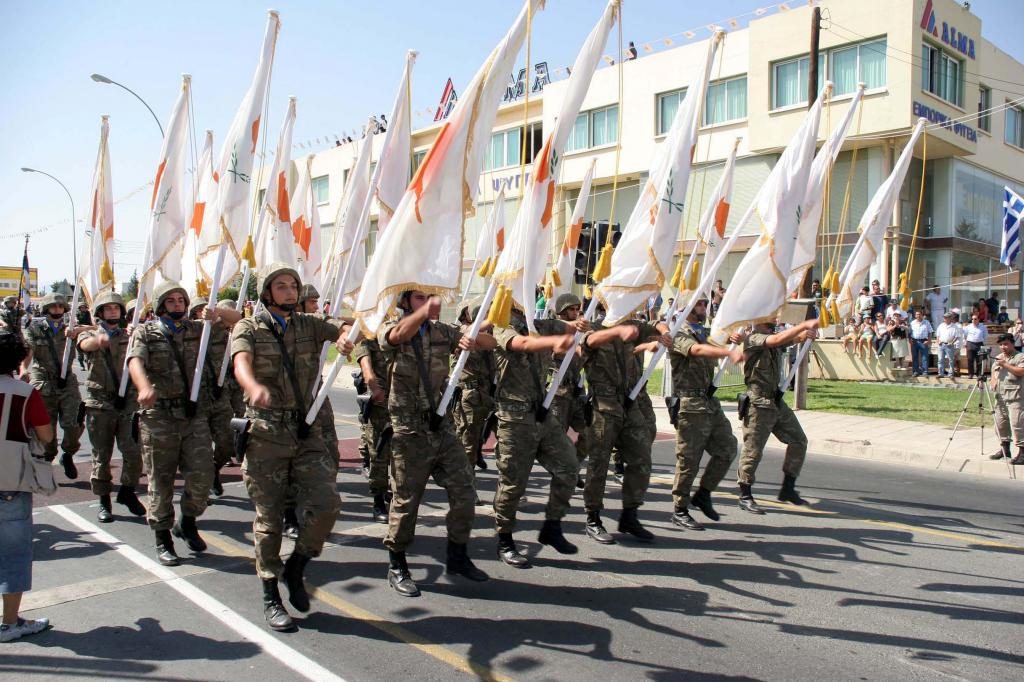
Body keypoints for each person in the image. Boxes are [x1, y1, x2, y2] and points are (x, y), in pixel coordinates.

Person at [231, 264, 353, 630]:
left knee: (327, 504)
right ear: (267, 292)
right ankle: (271, 594)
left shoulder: (308, 323)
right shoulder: (248, 326)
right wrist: (252, 387)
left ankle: (297, 565)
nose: (288, 291)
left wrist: (347, 337)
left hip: (306, 428)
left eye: (293, 286)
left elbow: (344, 327)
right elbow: (241, 363)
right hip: (266, 433)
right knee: (269, 519)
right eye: (280, 286)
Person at [378, 291, 493, 597]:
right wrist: (425, 311)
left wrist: (475, 338)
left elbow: (487, 342)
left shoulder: (442, 331)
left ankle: (457, 555)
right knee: (406, 501)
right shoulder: (391, 325)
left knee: (465, 491)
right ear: (405, 301)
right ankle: (398, 564)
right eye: (420, 297)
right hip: (408, 430)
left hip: (442, 426)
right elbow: (398, 334)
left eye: (432, 297)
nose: (431, 303)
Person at [127, 282, 217, 567]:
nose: (178, 304)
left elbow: (238, 322)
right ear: (160, 305)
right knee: (161, 480)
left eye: (182, 300)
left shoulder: (197, 330)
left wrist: (216, 316)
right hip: (159, 417)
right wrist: (143, 387)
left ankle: (187, 521)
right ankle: (162, 538)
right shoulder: (146, 332)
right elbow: (135, 362)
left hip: (193, 415)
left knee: (202, 476)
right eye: (172, 300)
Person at [490, 304, 579, 568]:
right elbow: (523, 344)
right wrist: (555, 341)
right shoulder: (500, 327)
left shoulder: (542, 325)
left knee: (569, 467)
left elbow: (571, 328)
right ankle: (505, 538)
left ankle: (552, 525)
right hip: (514, 417)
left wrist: (580, 326)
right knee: (513, 483)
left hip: (541, 412)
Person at [579, 306, 670, 543]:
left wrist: (664, 332)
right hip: (603, 405)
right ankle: (593, 518)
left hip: (629, 403)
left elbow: (655, 328)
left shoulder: (635, 325)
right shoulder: (594, 328)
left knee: (641, 459)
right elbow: (589, 342)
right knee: (599, 464)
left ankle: (630, 515)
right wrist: (618, 331)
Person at [667, 293, 743, 531]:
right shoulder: (678, 332)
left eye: (704, 303)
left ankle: (703, 493)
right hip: (689, 403)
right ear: (685, 308)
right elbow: (696, 351)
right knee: (689, 459)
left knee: (727, 448)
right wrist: (726, 353)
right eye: (698, 304)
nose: (703, 307)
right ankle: (680, 508)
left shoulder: (706, 331)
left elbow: (716, 341)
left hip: (709, 402)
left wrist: (734, 339)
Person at [1, 330, 54, 643]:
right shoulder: (23, 393)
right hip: (10, 479)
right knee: (14, 554)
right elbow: (46, 435)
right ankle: (9, 622)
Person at [734, 318, 819, 513]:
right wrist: (803, 326)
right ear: (758, 321)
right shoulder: (753, 338)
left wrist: (805, 335)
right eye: (769, 319)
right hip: (758, 403)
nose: (773, 322)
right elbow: (777, 340)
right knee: (753, 450)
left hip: (775, 401)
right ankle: (745, 494)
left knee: (799, 441)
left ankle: (788, 489)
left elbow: (785, 340)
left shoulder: (773, 337)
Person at [76, 291, 146, 522]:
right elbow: (86, 345)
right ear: (100, 313)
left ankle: (127, 491)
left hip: (128, 401)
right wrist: (100, 340)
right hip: (101, 403)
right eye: (108, 309)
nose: (113, 311)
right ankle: (103, 501)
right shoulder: (89, 333)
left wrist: (138, 336)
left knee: (134, 452)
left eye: (116, 308)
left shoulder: (131, 334)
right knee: (102, 456)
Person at [21, 293, 88, 480]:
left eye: (60, 307)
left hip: (67, 383)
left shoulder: (71, 329)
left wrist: (77, 330)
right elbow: (29, 351)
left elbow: (98, 329)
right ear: (46, 308)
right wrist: (23, 369)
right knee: (46, 428)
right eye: (53, 307)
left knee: (73, 424)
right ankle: (48, 457)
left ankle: (68, 454)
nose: (57, 310)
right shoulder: (35, 328)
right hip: (44, 383)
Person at [188, 297, 241, 498]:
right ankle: (199, 492)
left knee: (227, 444)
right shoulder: (188, 332)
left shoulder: (220, 329)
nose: (205, 313)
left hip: (220, 395)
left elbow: (236, 317)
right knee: (200, 447)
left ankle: (213, 470)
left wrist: (217, 311)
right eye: (200, 310)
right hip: (196, 398)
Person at [548, 295, 590, 489]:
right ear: (563, 311)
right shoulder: (554, 329)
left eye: (577, 309)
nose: (575, 313)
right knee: (558, 440)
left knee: (590, 434)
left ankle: (572, 467)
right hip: (557, 394)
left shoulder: (580, 332)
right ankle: (563, 474)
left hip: (576, 393)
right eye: (571, 310)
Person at [353, 327, 393, 524]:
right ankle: (378, 502)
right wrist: (375, 387)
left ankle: (393, 496)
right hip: (379, 405)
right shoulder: (368, 338)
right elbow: (365, 365)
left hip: (401, 402)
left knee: (401, 454)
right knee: (379, 455)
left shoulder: (397, 336)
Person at [452, 304, 495, 482]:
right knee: (467, 441)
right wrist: (492, 318)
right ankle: (466, 483)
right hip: (470, 394)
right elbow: (469, 332)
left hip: (488, 394)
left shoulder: (490, 334)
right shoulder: (460, 330)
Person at [989, 333, 1024, 465]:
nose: (1003, 347)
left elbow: (1021, 371)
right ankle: (1004, 449)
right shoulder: (998, 357)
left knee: (1018, 424)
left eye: (1006, 344)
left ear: (1012, 344)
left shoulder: (1020, 357)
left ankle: (1022, 453)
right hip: (1000, 395)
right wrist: (992, 382)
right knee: (1000, 423)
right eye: (1001, 344)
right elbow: (994, 372)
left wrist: (1006, 365)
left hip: (1016, 396)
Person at [934, 312, 961, 379]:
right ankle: (940, 373)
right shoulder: (941, 325)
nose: (945, 319)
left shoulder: (954, 326)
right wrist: (938, 341)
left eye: (946, 317)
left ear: (950, 318)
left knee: (951, 360)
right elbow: (937, 335)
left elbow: (957, 336)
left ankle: (951, 374)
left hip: (949, 345)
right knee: (940, 360)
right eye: (944, 317)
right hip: (941, 344)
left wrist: (952, 342)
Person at [908, 309, 933, 377]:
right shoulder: (912, 323)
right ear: (915, 316)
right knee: (915, 357)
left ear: (922, 315)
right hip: (914, 341)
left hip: (923, 341)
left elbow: (930, 332)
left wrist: (929, 340)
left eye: (919, 314)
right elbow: (909, 332)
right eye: (916, 314)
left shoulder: (926, 322)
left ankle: (925, 372)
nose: (918, 316)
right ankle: (915, 371)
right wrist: (910, 340)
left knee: (924, 357)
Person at [963, 312, 987, 379]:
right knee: (970, 359)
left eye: (975, 319)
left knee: (979, 360)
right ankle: (970, 374)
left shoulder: (983, 327)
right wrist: (965, 343)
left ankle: (979, 374)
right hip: (970, 343)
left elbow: (985, 336)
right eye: (972, 319)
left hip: (980, 344)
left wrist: (984, 344)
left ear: (978, 319)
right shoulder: (968, 327)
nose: (973, 320)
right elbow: (964, 336)